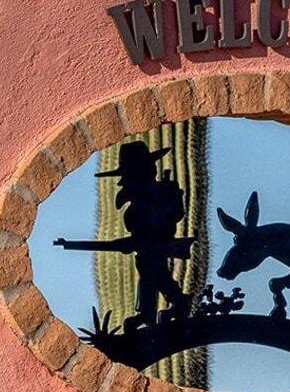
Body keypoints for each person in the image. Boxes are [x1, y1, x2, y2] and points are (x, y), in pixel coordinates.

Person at [54, 139, 195, 330]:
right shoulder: (136, 199)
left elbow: (174, 215)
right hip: (145, 247)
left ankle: (172, 305)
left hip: (155, 244)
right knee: (151, 274)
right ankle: (155, 310)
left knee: (155, 274)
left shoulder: (163, 192)